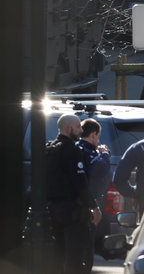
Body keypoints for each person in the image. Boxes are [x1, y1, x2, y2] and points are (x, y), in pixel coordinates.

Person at [45, 114, 101, 274]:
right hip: (72, 213)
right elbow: (80, 183)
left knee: (57, 255)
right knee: (77, 257)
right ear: (69, 128)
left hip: (52, 211)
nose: (81, 130)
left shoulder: (49, 149)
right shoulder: (73, 150)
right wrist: (94, 207)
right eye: (78, 127)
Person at [76, 118, 111, 269]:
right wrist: (104, 154)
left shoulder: (76, 147)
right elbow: (98, 169)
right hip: (88, 204)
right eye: (98, 136)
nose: (98, 140)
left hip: (78, 203)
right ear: (94, 134)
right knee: (86, 244)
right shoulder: (85, 150)